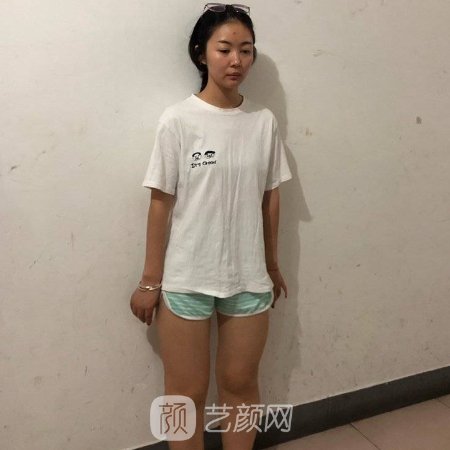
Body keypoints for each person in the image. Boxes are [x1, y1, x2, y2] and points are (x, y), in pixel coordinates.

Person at [130, 3, 292, 449]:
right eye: (225, 49)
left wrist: (271, 266)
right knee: (185, 393)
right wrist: (149, 281)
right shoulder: (178, 120)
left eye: (246, 50)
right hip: (187, 278)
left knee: (240, 384)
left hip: (248, 278)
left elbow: (270, 198)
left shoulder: (263, 121)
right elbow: (160, 203)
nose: (236, 60)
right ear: (202, 53)